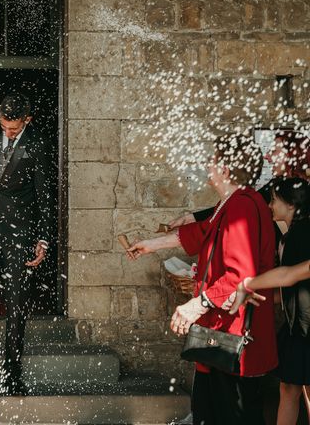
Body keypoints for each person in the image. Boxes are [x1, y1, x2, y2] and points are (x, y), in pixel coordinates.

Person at [127, 133, 278, 425]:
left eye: (213, 159)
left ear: (224, 168)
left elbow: (239, 275)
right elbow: (201, 232)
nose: (208, 165)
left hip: (233, 339)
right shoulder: (233, 202)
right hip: (221, 335)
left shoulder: (243, 205)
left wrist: (196, 305)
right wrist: (151, 244)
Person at [0, 93, 53, 395]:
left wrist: (42, 238)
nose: (8, 133)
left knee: (17, 302)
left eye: (14, 129)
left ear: (26, 120)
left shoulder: (38, 142)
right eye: (4, 126)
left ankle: (13, 370)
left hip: (21, 232)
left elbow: (44, 193)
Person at [224, 178, 310, 425]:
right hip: (299, 328)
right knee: (290, 388)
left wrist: (247, 285)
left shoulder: (300, 234)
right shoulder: (292, 234)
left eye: (273, 199)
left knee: (298, 390)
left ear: (291, 204)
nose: (269, 205)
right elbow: (291, 282)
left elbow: (291, 276)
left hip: (305, 329)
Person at [169, 130, 310, 229]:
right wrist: (193, 218)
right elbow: (238, 205)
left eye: (273, 151)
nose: (267, 156)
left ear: (292, 155)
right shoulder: (277, 184)